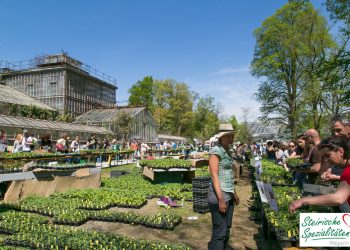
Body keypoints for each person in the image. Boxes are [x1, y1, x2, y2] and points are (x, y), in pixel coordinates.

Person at [289, 136, 350, 213]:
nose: (326, 159)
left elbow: (338, 198)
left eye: (327, 155)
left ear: (341, 151)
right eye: (324, 157)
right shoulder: (345, 169)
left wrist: (303, 200)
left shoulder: (348, 171)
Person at [208, 124, 240, 250]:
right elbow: (215, 176)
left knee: (227, 227)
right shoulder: (216, 151)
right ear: (221, 138)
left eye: (232, 136)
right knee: (219, 232)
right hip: (218, 197)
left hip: (229, 195)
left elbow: (227, 176)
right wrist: (221, 199)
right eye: (228, 136)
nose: (231, 139)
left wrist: (234, 194)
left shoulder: (227, 150)